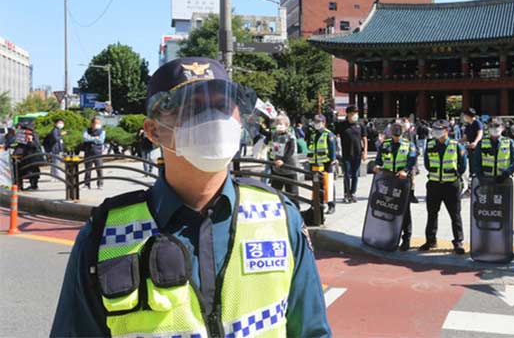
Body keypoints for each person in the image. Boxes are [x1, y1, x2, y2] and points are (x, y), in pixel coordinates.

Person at [50, 57, 330, 337]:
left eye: (222, 106)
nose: (212, 119)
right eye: (192, 107)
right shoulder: (104, 235)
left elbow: (312, 331)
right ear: (153, 131)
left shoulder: (279, 217)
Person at [421, 120, 468, 254]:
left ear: (446, 131)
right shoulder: (430, 145)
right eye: (435, 129)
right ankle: (430, 240)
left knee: (455, 215)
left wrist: (455, 175)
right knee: (432, 213)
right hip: (434, 184)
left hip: (451, 185)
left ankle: (458, 242)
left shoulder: (456, 145)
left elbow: (463, 165)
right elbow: (427, 163)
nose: (436, 132)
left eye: (439, 130)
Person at [373, 123, 417, 251]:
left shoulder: (409, 145)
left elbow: (412, 160)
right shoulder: (385, 144)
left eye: (398, 135)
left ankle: (406, 239)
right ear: (391, 133)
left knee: (404, 211)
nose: (396, 138)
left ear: (402, 133)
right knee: (385, 207)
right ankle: (387, 236)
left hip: (402, 181)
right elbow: (379, 159)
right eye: (394, 135)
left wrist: (406, 170)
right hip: (387, 180)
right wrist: (377, 165)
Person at [335, 105, 367, 204]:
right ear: (348, 114)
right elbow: (335, 136)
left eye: (356, 113)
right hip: (346, 154)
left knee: (355, 174)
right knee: (347, 174)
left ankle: (353, 193)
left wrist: (365, 151)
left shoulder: (360, 125)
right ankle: (346, 194)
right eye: (353, 113)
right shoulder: (342, 125)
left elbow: (364, 138)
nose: (355, 115)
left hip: (357, 154)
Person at [308, 113, 338, 214]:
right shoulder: (313, 134)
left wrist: (333, 160)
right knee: (316, 184)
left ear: (324, 122)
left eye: (318, 122)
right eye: (315, 122)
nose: (316, 124)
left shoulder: (328, 134)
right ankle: (317, 204)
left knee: (328, 184)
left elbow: (332, 148)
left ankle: (331, 205)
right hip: (315, 163)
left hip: (326, 163)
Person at [269, 113, 300, 199]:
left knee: (292, 193)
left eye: (281, 124)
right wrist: (254, 123)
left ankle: (295, 209)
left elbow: (291, 150)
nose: (278, 126)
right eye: (277, 124)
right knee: (275, 192)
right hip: (277, 169)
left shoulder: (290, 136)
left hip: (290, 168)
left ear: (287, 126)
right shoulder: (274, 135)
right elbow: (264, 133)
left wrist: (283, 160)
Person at [11, 123, 42, 190]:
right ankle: (21, 186)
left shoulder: (33, 135)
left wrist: (30, 141)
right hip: (26, 156)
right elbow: (18, 144)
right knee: (23, 171)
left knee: (32, 171)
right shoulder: (22, 135)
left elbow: (36, 145)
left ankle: (33, 185)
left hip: (31, 156)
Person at [83, 117, 106, 190]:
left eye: (99, 123)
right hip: (88, 152)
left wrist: (91, 138)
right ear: (92, 124)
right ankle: (87, 184)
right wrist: (95, 138)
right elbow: (85, 138)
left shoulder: (102, 131)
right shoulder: (87, 130)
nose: (98, 125)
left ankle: (100, 184)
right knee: (87, 170)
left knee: (99, 169)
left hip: (98, 152)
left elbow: (101, 141)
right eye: (96, 123)